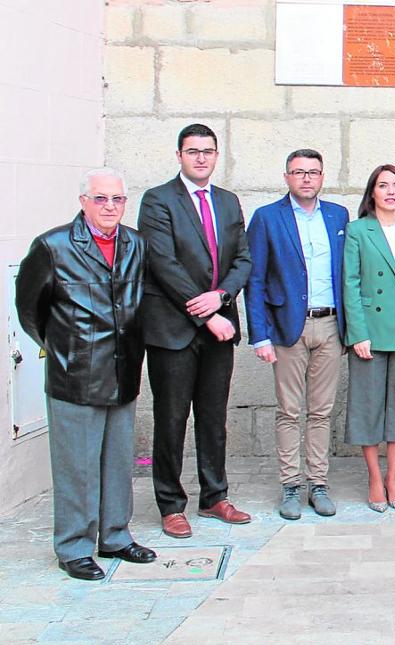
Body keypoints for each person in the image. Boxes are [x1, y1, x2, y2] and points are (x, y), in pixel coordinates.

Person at [15, 168, 156, 580]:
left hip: (123, 368)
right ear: (83, 202)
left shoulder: (135, 244)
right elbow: (29, 310)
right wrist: (65, 348)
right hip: (75, 373)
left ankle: (115, 536)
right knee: (76, 466)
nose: (110, 206)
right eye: (100, 198)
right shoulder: (53, 246)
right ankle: (74, 546)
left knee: (117, 461)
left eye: (117, 199)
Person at [138, 123, 252, 538]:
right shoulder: (158, 200)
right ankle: (171, 504)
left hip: (219, 328)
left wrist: (221, 296)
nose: (201, 158)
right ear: (179, 156)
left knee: (213, 418)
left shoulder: (228, 201)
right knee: (170, 420)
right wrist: (206, 313)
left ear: (217, 156)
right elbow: (162, 263)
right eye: (192, 151)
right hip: (173, 330)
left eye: (208, 151)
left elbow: (243, 260)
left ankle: (214, 497)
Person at [244, 149, 348, 520]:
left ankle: (317, 484)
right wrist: (259, 335)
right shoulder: (267, 217)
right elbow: (254, 280)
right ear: (287, 176)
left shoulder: (338, 215)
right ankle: (290, 485)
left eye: (313, 172)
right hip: (288, 327)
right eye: (299, 172)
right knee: (289, 411)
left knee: (321, 411)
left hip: (330, 325)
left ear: (322, 177)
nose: (306, 178)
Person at [343, 164, 395, 512]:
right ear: (372, 192)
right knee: (368, 406)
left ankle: (393, 477)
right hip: (370, 332)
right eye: (383, 185)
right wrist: (358, 333)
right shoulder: (357, 230)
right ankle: (374, 478)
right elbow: (350, 283)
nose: (390, 192)